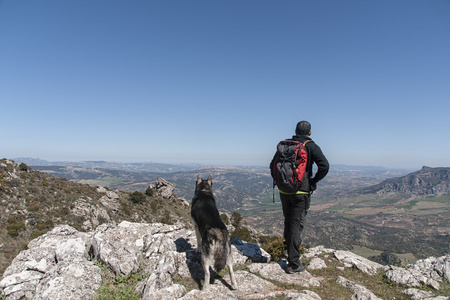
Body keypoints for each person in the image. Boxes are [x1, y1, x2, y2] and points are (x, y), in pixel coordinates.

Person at [270, 121, 329, 274]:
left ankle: (285, 251)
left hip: (284, 192)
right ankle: (294, 264)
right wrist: (313, 181)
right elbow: (325, 166)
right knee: (296, 226)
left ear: (295, 131)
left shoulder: (285, 145)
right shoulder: (311, 146)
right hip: (301, 193)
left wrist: (281, 182)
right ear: (309, 132)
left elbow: (272, 165)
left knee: (288, 222)